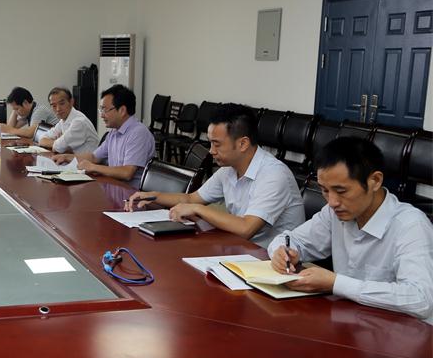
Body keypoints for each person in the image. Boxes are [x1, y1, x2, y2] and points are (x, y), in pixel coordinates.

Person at [267, 137, 433, 323]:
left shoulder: (411, 225)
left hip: (400, 332)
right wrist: (282, 252)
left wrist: (335, 283)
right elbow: (293, 240)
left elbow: (421, 299)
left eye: (341, 191)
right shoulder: (334, 212)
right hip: (349, 321)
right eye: (325, 190)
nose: (332, 202)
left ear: (375, 181)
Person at [125, 103, 304, 247]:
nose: (211, 151)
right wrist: (153, 196)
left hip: (273, 262)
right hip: (241, 249)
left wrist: (199, 210)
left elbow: (246, 228)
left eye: (217, 144)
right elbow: (191, 198)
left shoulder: (273, 175)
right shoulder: (229, 169)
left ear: (242, 144)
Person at [52, 84, 154, 189]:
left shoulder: (138, 133)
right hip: (115, 187)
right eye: (101, 110)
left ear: (122, 110)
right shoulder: (114, 132)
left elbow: (127, 172)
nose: (101, 115)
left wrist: (94, 167)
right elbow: (94, 157)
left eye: (105, 110)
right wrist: (66, 157)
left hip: (131, 193)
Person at [37, 87, 98, 155]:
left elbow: (59, 147)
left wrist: (57, 144)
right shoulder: (63, 120)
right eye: (54, 106)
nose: (58, 109)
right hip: (72, 159)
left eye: (62, 103)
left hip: (87, 161)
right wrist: (57, 143)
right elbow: (41, 139)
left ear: (71, 102)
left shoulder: (79, 122)